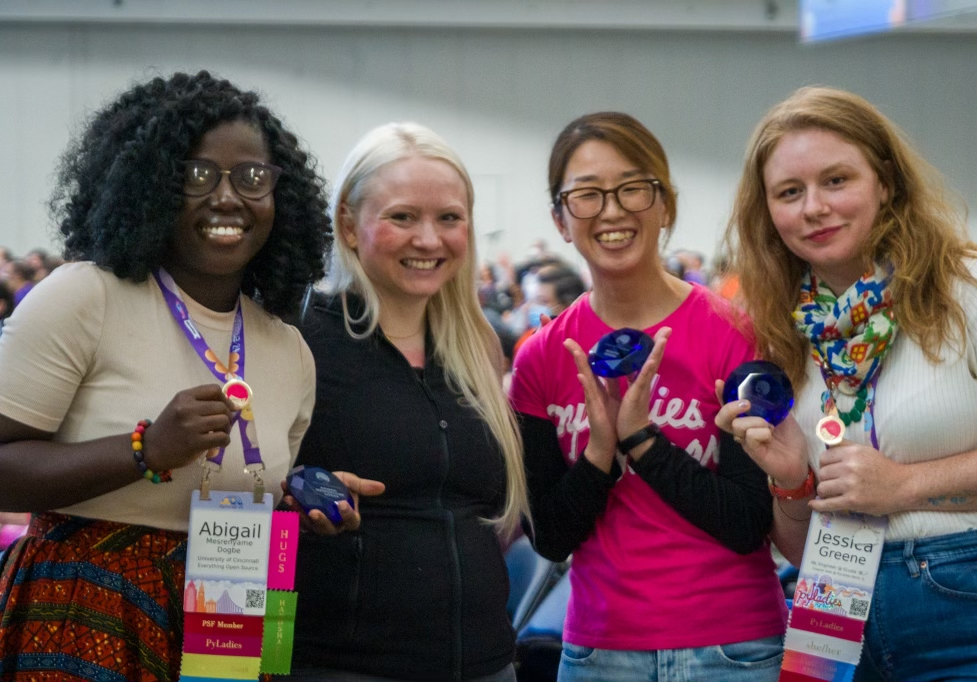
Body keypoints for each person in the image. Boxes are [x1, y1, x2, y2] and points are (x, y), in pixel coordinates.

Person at [0, 70, 330, 682]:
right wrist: (144, 449)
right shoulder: (84, 298)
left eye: (252, 178)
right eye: (196, 174)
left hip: (227, 613)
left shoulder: (289, 350)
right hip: (83, 614)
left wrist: (301, 497)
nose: (228, 198)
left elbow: (239, 484)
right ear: (151, 186)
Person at [718, 86, 977, 681]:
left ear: (885, 182)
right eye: (789, 192)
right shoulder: (786, 332)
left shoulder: (974, 286)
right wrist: (790, 482)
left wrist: (905, 485)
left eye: (836, 180)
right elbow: (796, 545)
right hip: (828, 604)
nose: (813, 207)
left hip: (975, 602)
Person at [508, 112, 788, 682]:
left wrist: (642, 441)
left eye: (632, 188)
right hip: (598, 652)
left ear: (665, 206)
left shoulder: (737, 335)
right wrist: (598, 455)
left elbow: (747, 521)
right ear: (561, 219)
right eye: (586, 194)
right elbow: (552, 537)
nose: (611, 211)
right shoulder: (541, 358)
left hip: (735, 648)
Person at [282, 122, 529, 682]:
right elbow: (241, 485)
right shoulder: (298, 337)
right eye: (402, 217)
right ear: (349, 223)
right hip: (342, 666)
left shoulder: (477, 346)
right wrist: (292, 488)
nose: (429, 240)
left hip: (487, 663)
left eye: (449, 218)